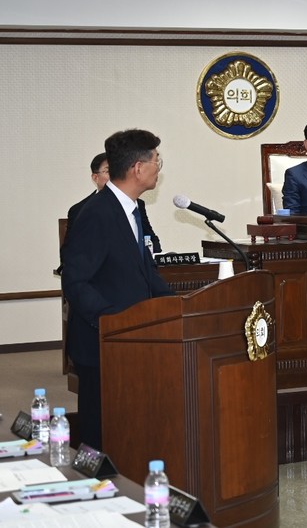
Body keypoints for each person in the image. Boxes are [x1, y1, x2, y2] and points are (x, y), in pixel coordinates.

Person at [61, 129, 174, 449]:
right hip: (103, 343)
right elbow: (75, 280)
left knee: (126, 432)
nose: (158, 168)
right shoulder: (97, 213)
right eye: (156, 161)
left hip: (130, 340)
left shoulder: (132, 209)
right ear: (138, 168)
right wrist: (112, 322)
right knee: (100, 436)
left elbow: (145, 271)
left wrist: (179, 305)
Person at [66, 153, 162, 253]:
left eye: (116, 171)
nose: (114, 176)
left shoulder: (136, 204)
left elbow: (150, 238)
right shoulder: (80, 209)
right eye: (108, 171)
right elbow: (71, 251)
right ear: (95, 177)